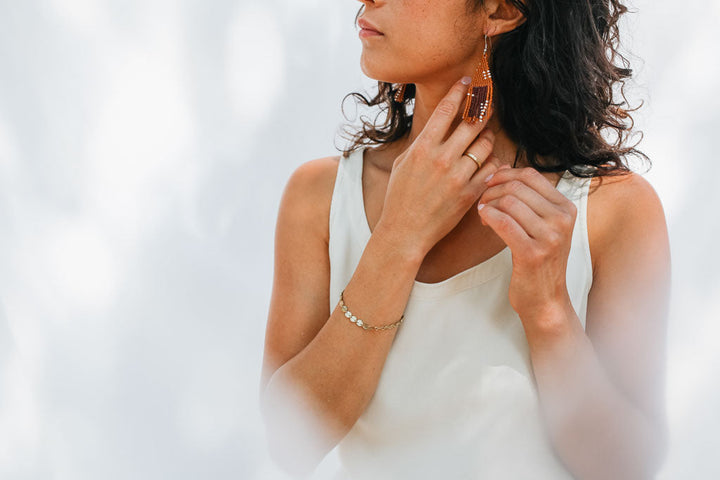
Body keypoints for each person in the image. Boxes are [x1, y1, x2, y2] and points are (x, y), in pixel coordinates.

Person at [260, 0, 670, 478]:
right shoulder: (319, 198)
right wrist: (398, 238)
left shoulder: (612, 210)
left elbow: (626, 467)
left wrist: (549, 311)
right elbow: (290, 441)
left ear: (498, 12)